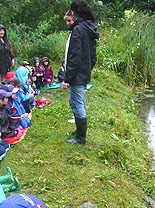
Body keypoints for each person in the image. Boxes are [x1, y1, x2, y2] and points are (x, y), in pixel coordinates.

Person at [62, 0, 99, 145]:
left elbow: (74, 57)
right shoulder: (88, 27)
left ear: (74, 12)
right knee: (74, 102)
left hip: (77, 75)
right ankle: (79, 131)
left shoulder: (79, 30)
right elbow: (93, 56)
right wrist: (87, 70)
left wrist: (67, 77)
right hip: (82, 73)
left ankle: (81, 139)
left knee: (78, 105)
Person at [0, 24, 15, 88]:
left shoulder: (6, 40)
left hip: (7, 64)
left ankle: (7, 96)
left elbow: (10, 51)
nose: (2, 32)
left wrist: (12, 59)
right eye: (0, 31)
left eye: (3, 31)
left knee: (7, 81)